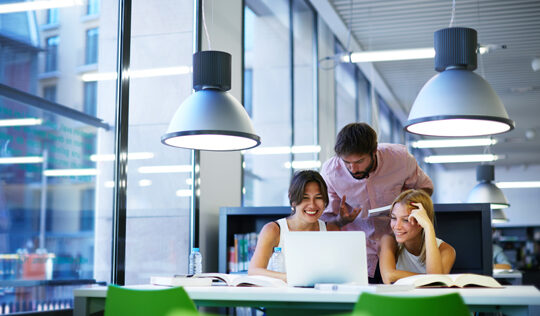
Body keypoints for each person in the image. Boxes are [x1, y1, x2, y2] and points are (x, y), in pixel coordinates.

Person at [320, 122, 433, 283]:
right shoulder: (330, 172)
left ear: (374, 151)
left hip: (400, 246)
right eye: (347, 162)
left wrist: (404, 205)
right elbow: (325, 220)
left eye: (359, 161)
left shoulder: (400, 159)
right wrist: (341, 220)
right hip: (357, 253)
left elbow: (425, 189)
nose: (352, 168)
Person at [248, 170, 339, 282]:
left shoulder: (331, 230)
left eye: (318, 197)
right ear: (293, 200)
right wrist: (291, 277)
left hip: (319, 297)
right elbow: (254, 271)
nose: (312, 205)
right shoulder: (273, 230)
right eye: (305, 198)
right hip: (282, 296)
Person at [379, 189, 456, 284]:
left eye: (406, 220)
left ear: (421, 221)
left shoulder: (446, 250)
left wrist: (428, 227)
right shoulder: (388, 240)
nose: (397, 226)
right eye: (394, 218)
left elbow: (436, 283)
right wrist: (428, 278)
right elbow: (388, 276)